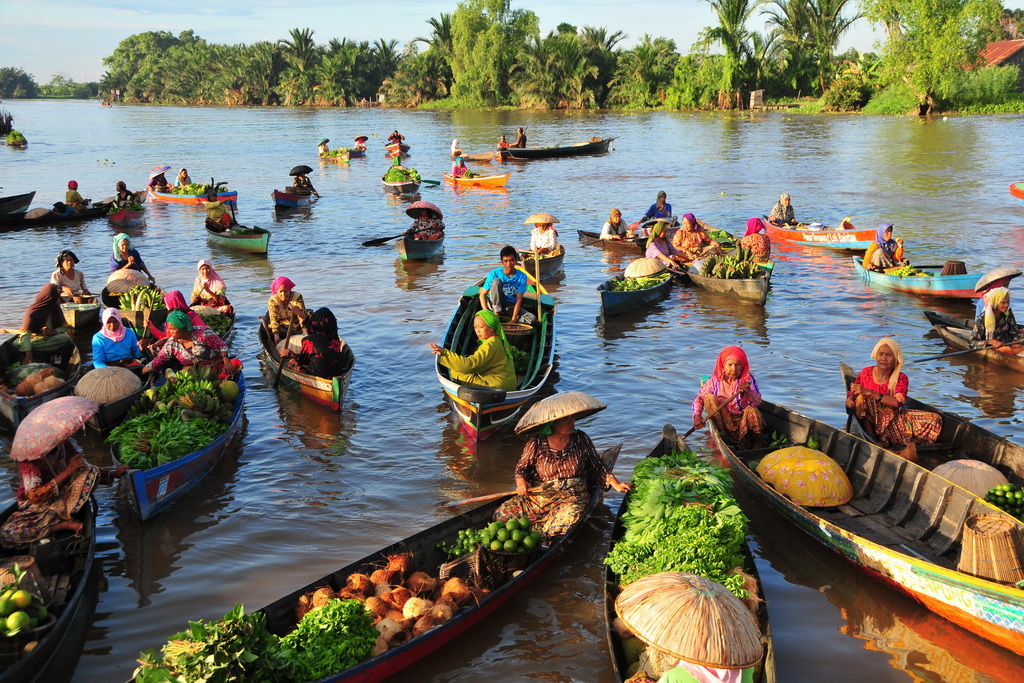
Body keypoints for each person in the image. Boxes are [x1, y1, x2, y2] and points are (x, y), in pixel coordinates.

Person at [492, 392, 630, 539]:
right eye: (566, 419)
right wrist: (521, 482)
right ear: (553, 422)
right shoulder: (536, 444)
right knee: (502, 514)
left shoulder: (581, 439)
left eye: (572, 417)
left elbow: (596, 467)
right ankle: (538, 531)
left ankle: (544, 537)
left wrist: (616, 484)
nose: (572, 421)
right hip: (541, 496)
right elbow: (522, 468)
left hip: (572, 495)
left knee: (568, 518)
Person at [0, 434, 125, 547]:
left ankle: (62, 516)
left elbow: (87, 468)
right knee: (7, 533)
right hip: (37, 506)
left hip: (64, 497)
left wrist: (114, 473)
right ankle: (62, 525)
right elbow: (34, 496)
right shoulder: (30, 462)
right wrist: (67, 471)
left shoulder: (64, 446)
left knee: (89, 472)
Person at [846, 338, 941, 462]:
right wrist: (849, 400)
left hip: (893, 419)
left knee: (935, 419)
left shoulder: (901, 378)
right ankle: (872, 438)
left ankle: (920, 448)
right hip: (871, 421)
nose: (884, 358)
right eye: (880, 354)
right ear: (875, 355)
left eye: (889, 355)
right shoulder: (866, 372)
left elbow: (898, 402)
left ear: (895, 358)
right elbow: (852, 393)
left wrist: (871, 392)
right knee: (861, 398)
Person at [692, 346, 764, 450]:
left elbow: (758, 401)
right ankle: (721, 435)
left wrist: (748, 392)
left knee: (751, 410)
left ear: (742, 366)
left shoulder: (747, 379)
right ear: (723, 365)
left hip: (742, 423)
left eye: (737, 365)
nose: (733, 369)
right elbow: (699, 399)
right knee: (709, 398)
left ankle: (757, 440)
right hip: (723, 422)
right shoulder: (715, 380)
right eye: (730, 365)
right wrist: (697, 416)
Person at [429, 310, 517, 391]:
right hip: (507, 383)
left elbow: (469, 366)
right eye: (475, 327)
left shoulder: (490, 345)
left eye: (481, 327)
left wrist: (445, 353)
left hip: (497, 386)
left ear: (491, 327)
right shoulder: (498, 340)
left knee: (456, 371)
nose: (477, 331)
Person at [142, 310, 233, 377]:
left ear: (183, 328)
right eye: (169, 329)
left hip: (215, 366)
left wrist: (226, 359)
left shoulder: (203, 333)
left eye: (174, 329)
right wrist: (141, 372)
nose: (171, 332)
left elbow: (221, 346)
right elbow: (158, 361)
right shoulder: (172, 344)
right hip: (193, 372)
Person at [16, 284, 75, 364]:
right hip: (34, 339)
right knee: (17, 344)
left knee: (65, 338)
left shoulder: (56, 308)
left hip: (50, 338)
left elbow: (64, 327)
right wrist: (28, 354)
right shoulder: (33, 312)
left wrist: (53, 332)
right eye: (56, 297)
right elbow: (25, 335)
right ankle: (26, 349)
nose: (58, 299)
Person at [480, 246, 537, 325]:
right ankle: (496, 315)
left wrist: (513, 320)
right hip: (494, 304)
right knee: (496, 281)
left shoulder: (522, 276)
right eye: (506, 261)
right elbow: (482, 294)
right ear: (502, 262)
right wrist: (486, 314)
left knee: (531, 319)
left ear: (516, 260)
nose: (509, 264)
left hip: (510, 306)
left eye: (511, 260)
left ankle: (506, 324)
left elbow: (519, 299)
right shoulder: (494, 274)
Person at [283, 308, 346, 378]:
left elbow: (303, 360)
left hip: (317, 376)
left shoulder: (309, 341)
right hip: (335, 374)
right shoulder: (335, 339)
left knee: (292, 362)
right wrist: (301, 315)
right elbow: (313, 325)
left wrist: (289, 353)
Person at [970, 287, 1024, 353]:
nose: (1006, 305)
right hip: (993, 347)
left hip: (1007, 344)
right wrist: (990, 342)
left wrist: (1021, 337)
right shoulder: (982, 319)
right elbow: (972, 343)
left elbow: (1014, 333)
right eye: (1003, 303)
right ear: (995, 303)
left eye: (1008, 302)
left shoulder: (1008, 314)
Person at [267, 276, 309, 341]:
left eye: (285, 291)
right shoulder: (273, 301)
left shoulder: (297, 297)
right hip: (283, 325)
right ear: (277, 291)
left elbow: (301, 316)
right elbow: (274, 319)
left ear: (289, 290)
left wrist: (304, 330)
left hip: (296, 323)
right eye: (280, 291)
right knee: (273, 330)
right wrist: (276, 334)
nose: (283, 294)